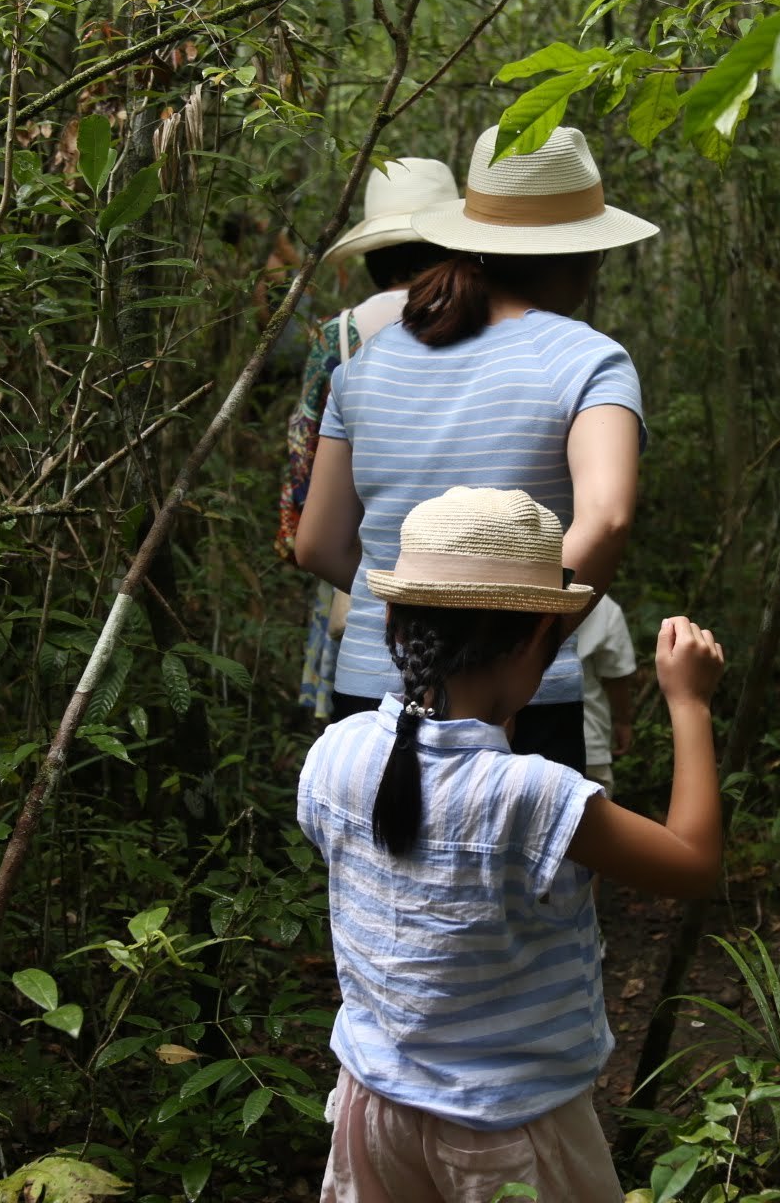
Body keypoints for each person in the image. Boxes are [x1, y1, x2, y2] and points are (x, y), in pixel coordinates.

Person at [296, 487, 726, 1202]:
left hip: (372, 1108)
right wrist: (690, 702)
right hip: (509, 1128)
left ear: (398, 626)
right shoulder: (531, 796)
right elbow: (692, 864)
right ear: (534, 641)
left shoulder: (335, 754)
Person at [295, 125, 657, 774]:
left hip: (370, 690)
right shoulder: (588, 359)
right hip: (522, 697)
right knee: (529, 874)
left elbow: (318, 545)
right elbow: (607, 518)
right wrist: (515, 654)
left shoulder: (366, 366)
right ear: (582, 253)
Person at [278, 157, 458, 719]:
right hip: (480, 571)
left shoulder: (343, 336)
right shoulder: (492, 320)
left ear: (374, 254)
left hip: (365, 576)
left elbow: (303, 481)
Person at [574, 592, 637, 793]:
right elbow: (616, 676)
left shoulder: (506, 591)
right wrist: (623, 721)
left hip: (511, 745)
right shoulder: (602, 605)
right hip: (585, 739)